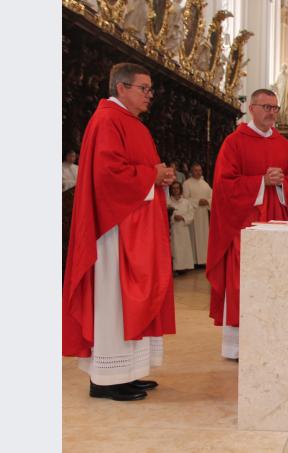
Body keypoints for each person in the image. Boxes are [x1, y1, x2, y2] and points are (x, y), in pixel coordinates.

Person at [63, 62, 176, 401]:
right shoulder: (107, 120)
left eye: (150, 89)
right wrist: (150, 176)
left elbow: (138, 169)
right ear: (121, 88)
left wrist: (160, 177)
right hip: (113, 230)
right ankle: (105, 379)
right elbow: (108, 175)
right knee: (113, 300)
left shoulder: (130, 122)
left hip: (134, 226)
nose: (149, 95)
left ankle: (126, 373)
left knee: (131, 301)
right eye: (144, 88)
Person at [206, 88, 288, 359]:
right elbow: (224, 186)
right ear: (252, 108)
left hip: (275, 224)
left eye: (275, 107)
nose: (272, 113)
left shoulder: (283, 144)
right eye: (266, 107)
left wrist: (283, 181)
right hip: (244, 226)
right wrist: (261, 181)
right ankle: (238, 347)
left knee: (274, 280)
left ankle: (269, 339)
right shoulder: (234, 142)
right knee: (242, 281)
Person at [182, 163, 213, 266]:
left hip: (203, 215)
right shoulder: (187, 183)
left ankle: (204, 260)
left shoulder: (205, 184)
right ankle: (195, 261)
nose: (198, 172)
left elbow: (212, 197)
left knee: (204, 237)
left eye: (200, 170)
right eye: (196, 170)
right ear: (191, 171)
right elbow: (185, 200)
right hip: (193, 214)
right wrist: (197, 202)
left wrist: (208, 202)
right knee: (194, 236)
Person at [167, 181, 195, 273]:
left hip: (183, 228)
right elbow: (165, 215)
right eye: (174, 188)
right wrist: (173, 217)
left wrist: (183, 217)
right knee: (175, 249)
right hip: (174, 229)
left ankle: (185, 266)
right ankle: (175, 268)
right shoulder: (168, 202)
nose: (176, 190)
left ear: (180, 189)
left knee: (184, 248)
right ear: (171, 190)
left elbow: (191, 214)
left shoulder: (186, 202)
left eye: (177, 188)